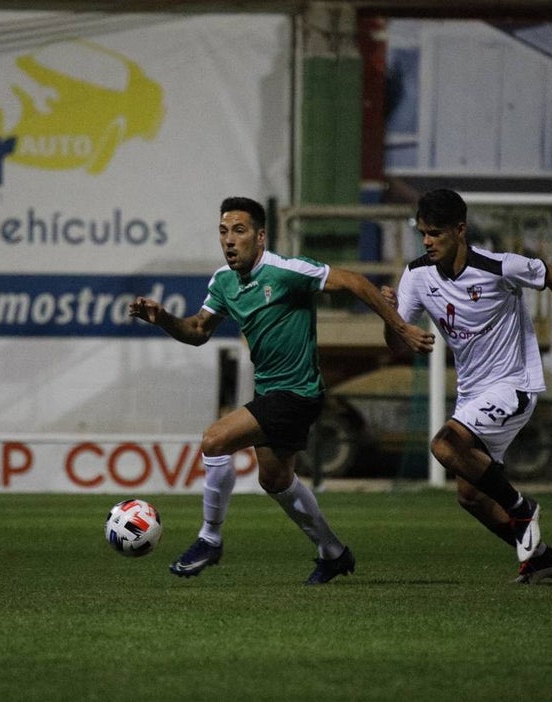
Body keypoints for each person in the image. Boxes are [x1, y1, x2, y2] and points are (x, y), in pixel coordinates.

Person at [129, 196, 435, 584]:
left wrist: (403, 327)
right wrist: (163, 319)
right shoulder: (223, 282)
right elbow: (197, 332)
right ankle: (333, 552)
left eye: (239, 231)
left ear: (260, 237)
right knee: (275, 480)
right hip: (270, 392)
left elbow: (355, 282)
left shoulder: (286, 271)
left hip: (298, 391)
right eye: (223, 232)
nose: (229, 240)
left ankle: (210, 538)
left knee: (214, 440)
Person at [382, 188, 552, 583]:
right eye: (423, 234)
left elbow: (551, 275)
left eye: (435, 233)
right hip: (472, 393)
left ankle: (521, 507)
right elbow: (396, 342)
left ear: (460, 230)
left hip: (513, 385)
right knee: (470, 497)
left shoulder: (497, 266)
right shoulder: (417, 275)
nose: (427, 241)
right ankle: (540, 558)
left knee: (443, 445)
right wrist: (391, 318)